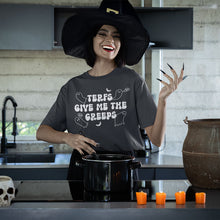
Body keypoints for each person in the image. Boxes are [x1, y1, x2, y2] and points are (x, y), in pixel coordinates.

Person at [36, 0, 185, 180]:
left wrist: (162, 101)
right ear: (91, 39)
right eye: (102, 34)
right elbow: (42, 131)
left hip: (122, 169)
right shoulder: (72, 87)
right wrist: (67, 138)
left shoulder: (133, 81)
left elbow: (156, 139)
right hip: (82, 169)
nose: (110, 40)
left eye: (116, 36)